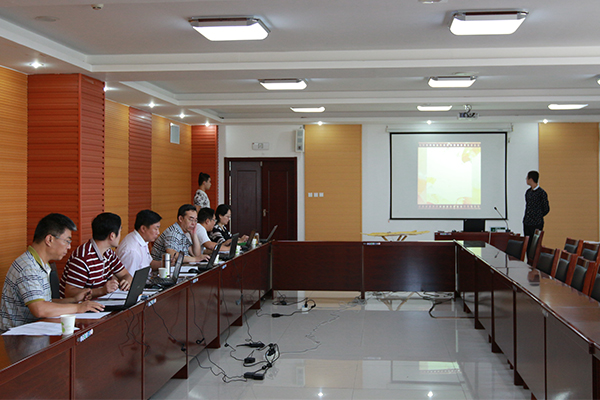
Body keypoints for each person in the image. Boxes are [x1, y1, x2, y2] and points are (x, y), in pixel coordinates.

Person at [0, 214, 104, 331]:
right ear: (49, 240)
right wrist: (78, 308)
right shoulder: (28, 267)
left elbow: (45, 302)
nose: (69, 247)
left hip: (35, 331)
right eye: (67, 241)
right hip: (16, 337)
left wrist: (73, 300)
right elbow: (40, 309)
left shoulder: (41, 264)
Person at [60, 213, 132, 299]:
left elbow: (126, 275)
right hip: (79, 306)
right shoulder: (83, 257)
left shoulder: (109, 253)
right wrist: (101, 291)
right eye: (120, 231)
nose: (120, 236)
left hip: (100, 303)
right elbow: (69, 293)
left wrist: (126, 281)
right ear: (112, 236)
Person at [116, 210, 163, 275]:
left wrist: (166, 263)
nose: (158, 233)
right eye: (156, 229)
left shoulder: (142, 240)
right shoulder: (132, 251)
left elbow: (149, 263)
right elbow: (128, 279)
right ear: (143, 228)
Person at [523, 170, 550, 251]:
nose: (526, 180)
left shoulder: (541, 193)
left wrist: (537, 216)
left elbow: (546, 208)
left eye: (527, 178)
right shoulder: (528, 192)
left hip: (537, 224)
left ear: (531, 179)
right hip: (527, 223)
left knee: (535, 246)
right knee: (527, 245)